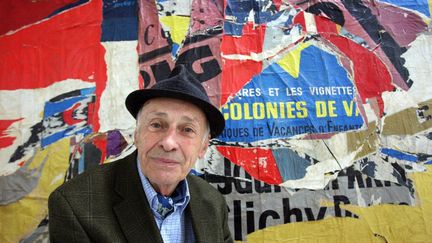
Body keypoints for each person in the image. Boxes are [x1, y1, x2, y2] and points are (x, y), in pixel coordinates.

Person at [48, 65, 233, 243]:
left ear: (203, 147)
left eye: (187, 129)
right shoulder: (75, 205)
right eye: (157, 125)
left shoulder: (213, 203)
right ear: (137, 135)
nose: (168, 143)